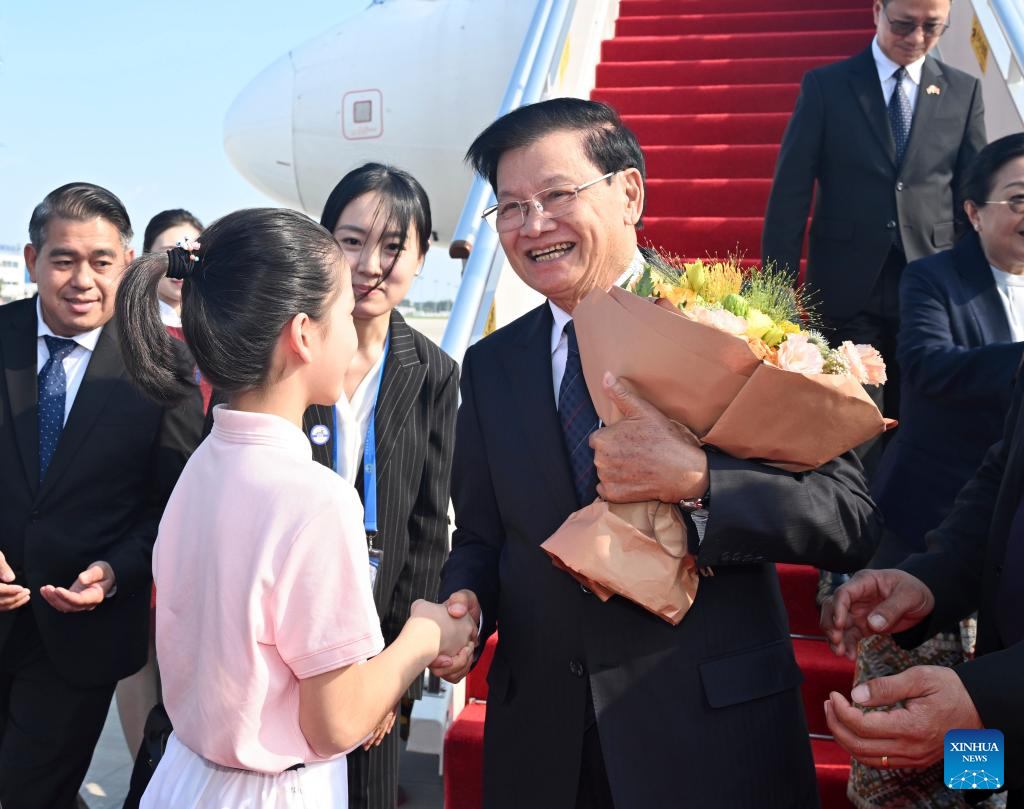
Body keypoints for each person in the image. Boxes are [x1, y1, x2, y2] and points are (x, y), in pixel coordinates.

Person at [432, 98, 881, 809]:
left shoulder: (738, 326)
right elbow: (485, 537)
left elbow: (846, 516)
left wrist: (701, 480)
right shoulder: (492, 365)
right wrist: (466, 605)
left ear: (629, 193)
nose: (534, 225)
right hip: (545, 744)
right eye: (511, 207)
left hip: (710, 739)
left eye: (557, 195)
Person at [113, 207, 475, 807]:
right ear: (304, 334)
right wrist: (423, 635)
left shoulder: (202, 465)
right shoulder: (315, 499)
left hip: (183, 775)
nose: (353, 332)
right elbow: (336, 722)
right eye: (344, 315)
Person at [0, 182, 203, 808]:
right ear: (33, 261)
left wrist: (117, 571)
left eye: (101, 261)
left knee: (31, 792)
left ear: (127, 264)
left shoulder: (164, 365)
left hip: (79, 631)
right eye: (63, 260)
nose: (82, 280)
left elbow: (173, 507)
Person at [846, 134, 1024, 808]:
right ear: (974, 210)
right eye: (1018, 199)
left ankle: (975, 795)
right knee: (912, 733)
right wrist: (929, 576)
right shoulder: (936, 277)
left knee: (975, 739)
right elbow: (929, 368)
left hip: (994, 583)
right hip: (933, 526)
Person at [761, 0, 986, 468]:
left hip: (928, 279)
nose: (917, 38)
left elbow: (973, 196)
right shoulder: (827, 86)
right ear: (877, 11)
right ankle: (855, 507)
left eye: (932, 28)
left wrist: (974, 281)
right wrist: (777, 289)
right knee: (853, 420)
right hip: (847, 282)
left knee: (924, 417)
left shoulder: (963, 91)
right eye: (903, 24)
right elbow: (790, 193)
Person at [304, 163, 458, 809]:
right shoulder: (284, 347)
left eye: (394, 247)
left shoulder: (433, 372)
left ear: (421, 258)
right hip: (282, 636)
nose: (370, 265)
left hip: (373, 645)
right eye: (351, 241)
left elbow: (425, 530)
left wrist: (394, 676)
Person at [115, 207, 208, 760]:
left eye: (191, 253)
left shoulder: (215, 334)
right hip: (139, 518)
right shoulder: (131, 335)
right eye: (171, 252)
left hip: (193, 516)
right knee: (139, 655)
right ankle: (141, 770)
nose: (180, 265)